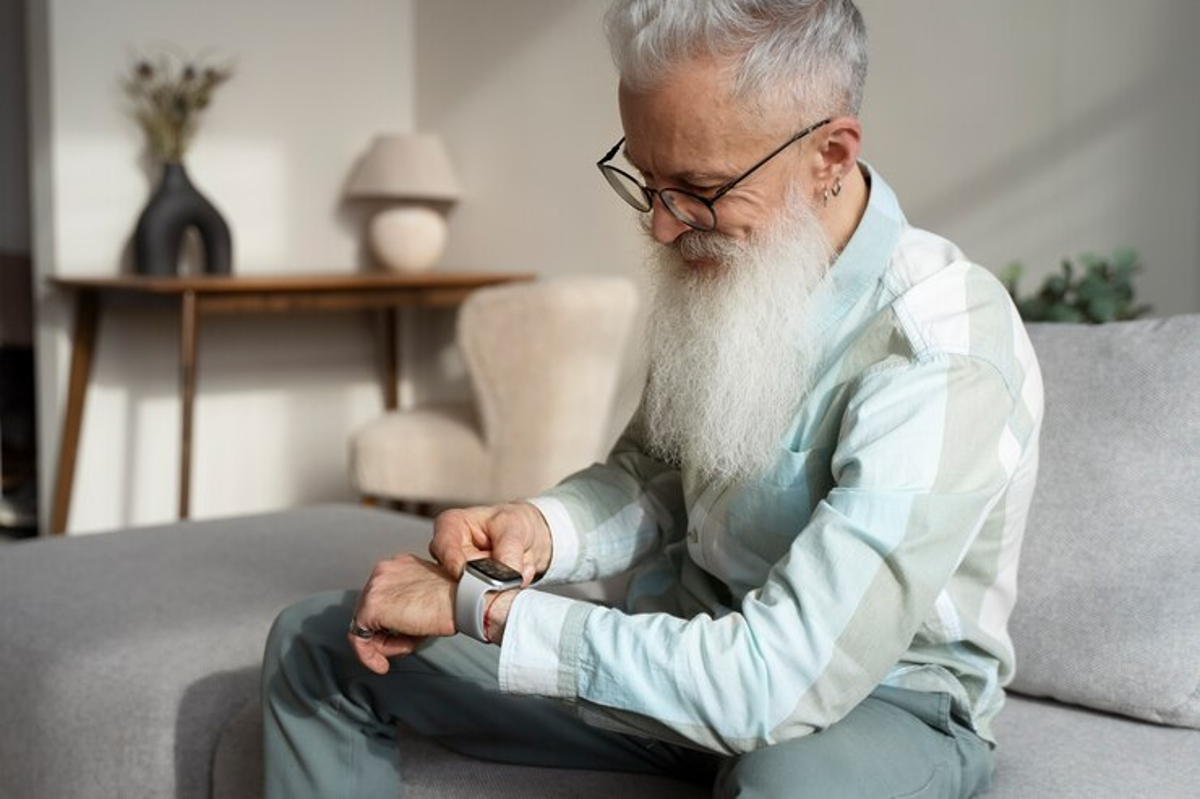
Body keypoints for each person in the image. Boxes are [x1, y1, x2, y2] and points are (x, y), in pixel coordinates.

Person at [261, 1, 1043, 796]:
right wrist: (535, 529)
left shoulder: (942, 347)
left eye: (698, 189)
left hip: (874, 700)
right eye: (647, 180)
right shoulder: (729, 280)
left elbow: (779, 681)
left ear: (830, 154)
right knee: (319, 640)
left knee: (788, 782)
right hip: (682, 650)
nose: (664, 229)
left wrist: (484, 610)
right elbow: (651, 473)